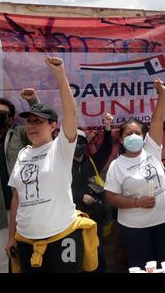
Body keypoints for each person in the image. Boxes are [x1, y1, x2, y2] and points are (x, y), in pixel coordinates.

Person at [5, 56, 98, 273]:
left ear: (53, 126)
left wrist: (59, 74)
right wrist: (12, 237)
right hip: (26, 241)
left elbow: (71, 113)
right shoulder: (23, 154)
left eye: (38, 121)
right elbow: (17, 197)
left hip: (61, 237)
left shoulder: (61, 148)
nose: (32, 126)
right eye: (29, 121)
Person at [104, 79, 165, 270]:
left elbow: (157, 120)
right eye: (129, 133)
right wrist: (136, 203)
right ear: (121, 138)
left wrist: (161, 95)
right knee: (141, 268)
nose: (134, 136)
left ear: (144, 136)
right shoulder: (116, 166)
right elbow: (110, 197)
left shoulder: (151, 149)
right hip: (134, 230)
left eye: (138, 133)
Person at [0, 89, 38, 273]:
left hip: (24, 209)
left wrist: (33, 102)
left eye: (1, 114)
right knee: (1, 263)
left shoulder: (19, 135)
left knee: (28, 258)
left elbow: (39, 123)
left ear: (10, 119)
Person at [71, 112, 114, 273]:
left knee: (97, 251)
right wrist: (79, 195)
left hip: (95, 217)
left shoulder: (92, 161)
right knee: (78, 254)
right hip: (73, 218)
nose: (77, 146)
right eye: (74, 142)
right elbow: (60, 187)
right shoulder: (60, 164)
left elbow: (107, 149)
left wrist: (108, 127)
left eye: (80, 141)